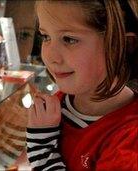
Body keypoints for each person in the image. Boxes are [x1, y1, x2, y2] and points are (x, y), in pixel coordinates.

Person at [26, 1, 138, 170]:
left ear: (118, 46)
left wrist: (41, 147)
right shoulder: (59, 103)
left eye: (69, 39)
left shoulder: (129, 142)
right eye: (46, 36)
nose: (50, 56)